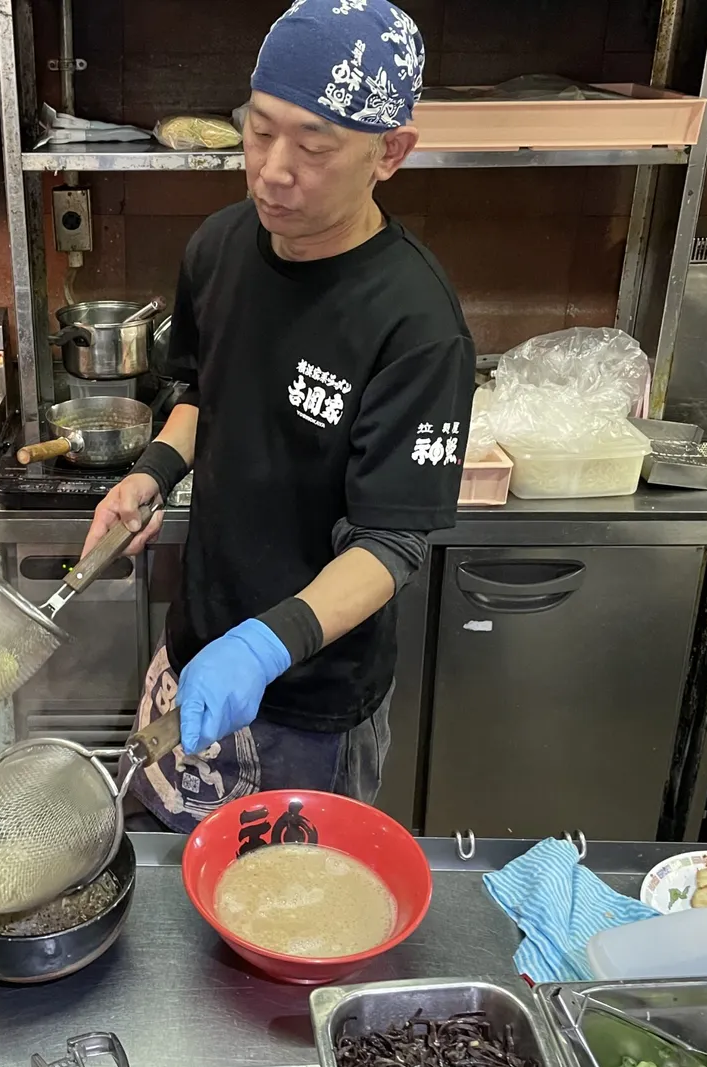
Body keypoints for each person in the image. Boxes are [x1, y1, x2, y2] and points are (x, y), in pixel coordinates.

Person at [80, 0, 474, 833]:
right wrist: (152, 474)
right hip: (194, 650)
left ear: (390, 153)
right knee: (158, 869)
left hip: (312, 699)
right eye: (258, 132)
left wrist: (263, 645)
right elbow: (200, 393)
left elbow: (391, 544)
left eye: (314, 147)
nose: (271, 171)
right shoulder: (218, 248)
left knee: (285, 900)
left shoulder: (416, 323)